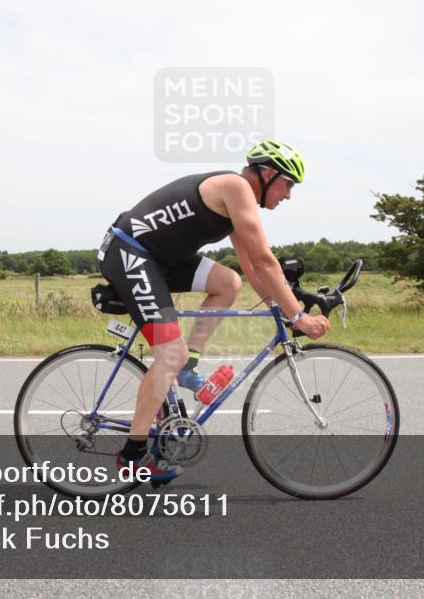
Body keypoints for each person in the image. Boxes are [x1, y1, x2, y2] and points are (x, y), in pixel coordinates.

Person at [97, 140, 330, 482]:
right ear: (268, 174)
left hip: (159, 259)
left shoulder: (238, 197)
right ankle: (132, 455)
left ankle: (187, 366)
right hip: (131, 254)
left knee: (228, 283)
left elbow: (251, 265)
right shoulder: (236, 188)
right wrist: (299, 317)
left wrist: (278, 309)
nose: (288, 195)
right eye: (287, 185)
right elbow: (266, 261)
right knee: (168, 355)